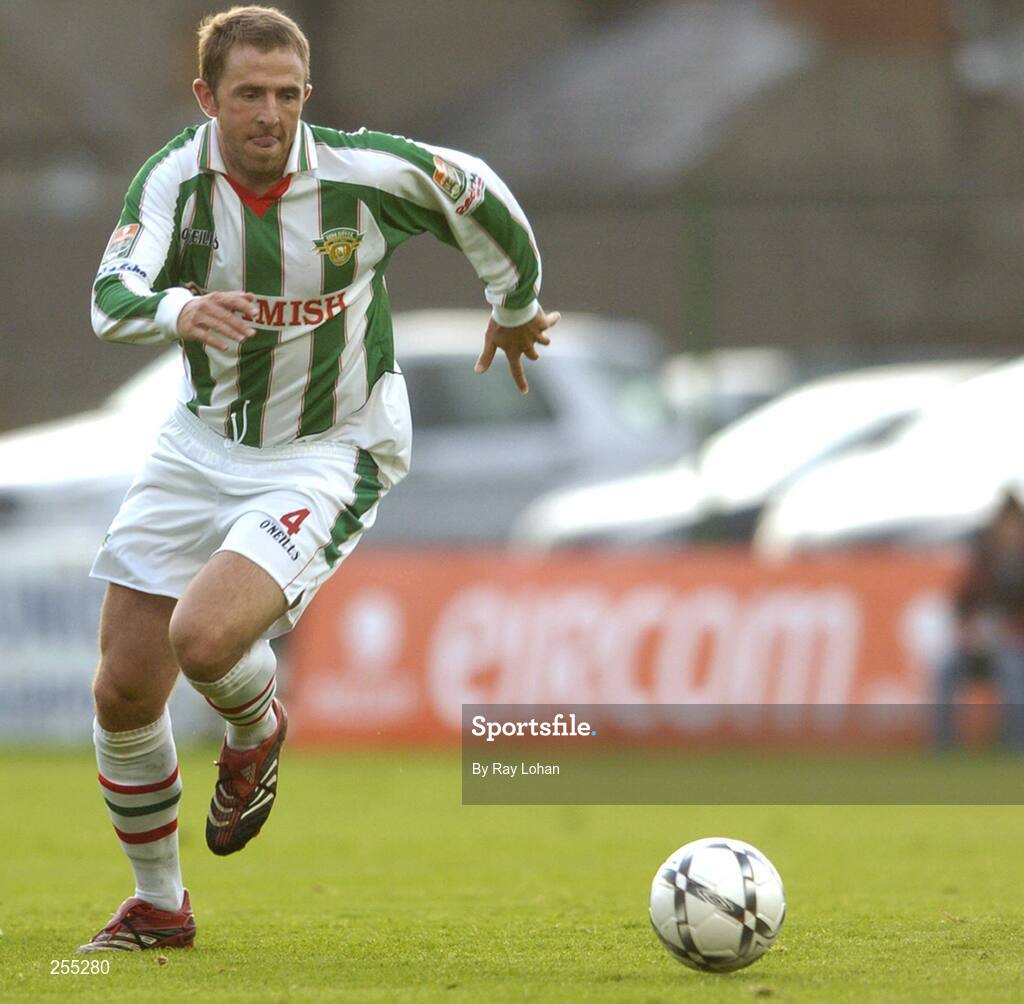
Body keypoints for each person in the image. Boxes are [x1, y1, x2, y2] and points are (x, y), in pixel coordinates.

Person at [81, 5, 557, 952]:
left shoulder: (361, 173)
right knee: (124, 689)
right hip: (199, 442)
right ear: (205, 96)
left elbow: (478, 191)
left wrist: (515, 305)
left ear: (308, 94)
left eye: (287, 94)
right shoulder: (177, 177)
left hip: (329, 449)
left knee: (205, 639)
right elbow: (110, 294)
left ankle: (255, 728)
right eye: (249, 93)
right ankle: (160, 906)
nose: (269, 113)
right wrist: (178, 309)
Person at [935, 490, 1024, 751]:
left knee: (1011, 669)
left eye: (1014, 524)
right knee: (945, 669)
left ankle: (1014, 745)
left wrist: (1009, 631)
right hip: (979, 646)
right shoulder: (983, 562)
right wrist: (970, 630)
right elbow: (961, 604)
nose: (1009, 530)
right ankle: (943, 747)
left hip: (1014, 646)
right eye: (1005, 523)